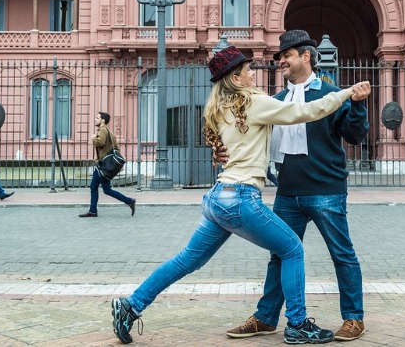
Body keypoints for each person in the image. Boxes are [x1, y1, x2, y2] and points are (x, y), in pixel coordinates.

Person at [110, 46, 370, 345]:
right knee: (292, 250)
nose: (253, 73)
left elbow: (228, 148)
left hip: (218, 198)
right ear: (236, 77)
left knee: (187, 260)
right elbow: (308, 111)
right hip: (242, 197)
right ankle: (297, 324)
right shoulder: (255, 102)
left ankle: (131, 306)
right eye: (247, 69)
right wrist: (346, 93)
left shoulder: (218, 107)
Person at [222, 30, 371, 342]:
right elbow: (249, 137)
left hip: (326, 191)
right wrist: (221, 149)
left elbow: (355, 136)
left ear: (306, 56)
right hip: (287, 193)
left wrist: (357, 105)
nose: (281, 62)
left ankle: (354, 318)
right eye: (279, 57)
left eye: (286, 55)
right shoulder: (276, 102)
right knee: (280, 255)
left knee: (341, 254)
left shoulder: (331, 94)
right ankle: (265, 318)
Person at [79, 112, 136, 217]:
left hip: (102, 166)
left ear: (103, 120)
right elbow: (117, 149)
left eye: (97, 118)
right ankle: (129, 201)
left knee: (95, 187)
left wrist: (93, 138)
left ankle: (93, 211)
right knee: (105, 189)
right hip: (106, 166)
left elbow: (100, 142)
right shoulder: (110, 132)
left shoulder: (102, 130)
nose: (95, 119)